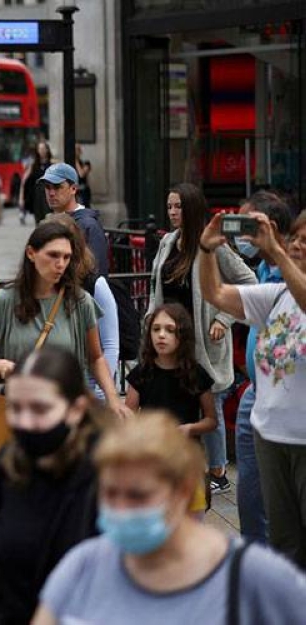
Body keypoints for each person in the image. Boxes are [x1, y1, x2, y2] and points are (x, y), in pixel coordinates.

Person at [34, 412, 306, 625]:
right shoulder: (82, 567)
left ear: (184, 491)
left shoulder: (254, 577)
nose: (121, 508)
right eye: (110, 493)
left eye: (138, 496)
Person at [0, 347, 105, 624]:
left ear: (75, 410)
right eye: (16, 408)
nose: (24, 422)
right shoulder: (4, 470)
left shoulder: (108, 475)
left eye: (40, 409)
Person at [0, 221, 129, 476]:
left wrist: (113, 399)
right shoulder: (4, 301)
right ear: (31, 253)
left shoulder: (80, 302)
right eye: (53, 255)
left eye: (67, 257)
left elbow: (97, 357)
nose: (60, 264)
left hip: (66, 419)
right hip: (19, 417)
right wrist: (4, 367)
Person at [199, 210, 306, 568]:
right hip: (271, 437)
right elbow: (214, 292)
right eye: (296, 239)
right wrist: (207, 249)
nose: (298, 246)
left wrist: (274, 251)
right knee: (284, 542)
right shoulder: (277, 296)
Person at [148, 183, 256, 494]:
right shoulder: (168, 242)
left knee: (212, 404)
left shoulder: (212, 247)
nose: (171, 213)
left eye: (178, 207)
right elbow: (157, 290)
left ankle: (218, 471)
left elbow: (249, 280)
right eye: (169, 206)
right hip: (171, 337)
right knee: (174, 400)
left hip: (204, 342)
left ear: (192, 209)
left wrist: (224, 318)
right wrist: (152, 324)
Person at [230, 191, 291, 544]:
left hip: (284, 398)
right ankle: (254, 564)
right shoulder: (262, 270)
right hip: (255, 394)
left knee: (282, 505)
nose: (240, 234)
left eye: (246, 224)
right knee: (250, 498)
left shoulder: (290, 270)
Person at [125, 303, 216, 517]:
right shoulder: (141, 373)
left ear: (182, 335)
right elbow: (128, 416)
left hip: (187, 460)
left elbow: (212, 420)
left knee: (193, 522)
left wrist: (190, 428)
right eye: (156, 329)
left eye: (169, 329)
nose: (161, 336)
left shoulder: (196, 374)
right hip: (151, 459)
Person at [45, 213, 119, 396]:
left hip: (89, 386)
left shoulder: (94, 285)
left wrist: (103, 391)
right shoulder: (40, 284)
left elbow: (110, 343)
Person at [40, 162, 108, 276]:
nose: (51, 193)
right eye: (47, 187)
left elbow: (97, 274)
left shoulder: (89, 225)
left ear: (73, 189)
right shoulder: (48, 222)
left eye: (57, 187)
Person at [19, 140, 52, 225]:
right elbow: (24, 181)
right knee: (38, 219)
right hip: (37, 195)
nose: (42, 151)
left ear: (47, 150)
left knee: (48, 218)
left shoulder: (52, 165)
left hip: (48, 194)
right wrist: (21, 198)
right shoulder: (33, 165)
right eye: (40, 149)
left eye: (43, 148)